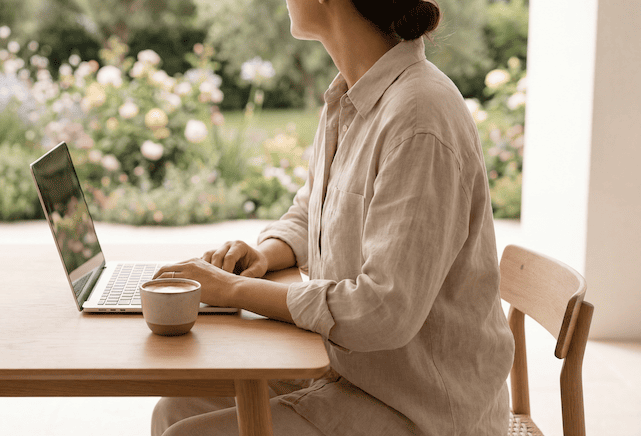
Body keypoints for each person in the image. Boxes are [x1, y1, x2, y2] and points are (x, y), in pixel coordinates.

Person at [151, 0, 515, 434]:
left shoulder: (421, 118)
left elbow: (383, 310)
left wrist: (235, 290)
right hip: (351, 373)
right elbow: (313, 209)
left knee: (188, 433)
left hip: (420, 408)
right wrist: (266, 253)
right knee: (175, 409)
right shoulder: (349, 96)